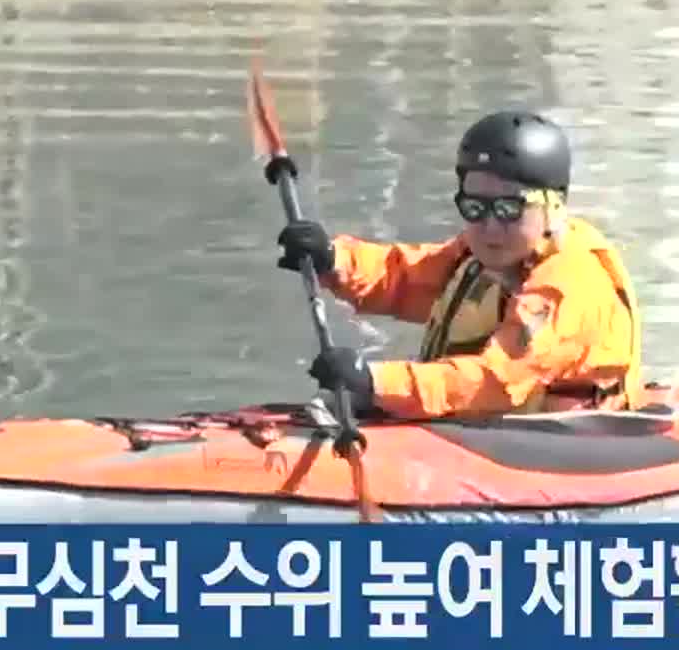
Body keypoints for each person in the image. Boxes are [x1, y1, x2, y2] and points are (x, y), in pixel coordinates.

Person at [274, 110, 644, 420]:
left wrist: (375, 382)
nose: (489, 227)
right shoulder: (482, 254)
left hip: (560, 443)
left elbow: (498, 382)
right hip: (485, 425)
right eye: (475, 208)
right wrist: (331, 258)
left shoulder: (566, 286)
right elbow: (406, 279)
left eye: (508, 209)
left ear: (554, 206)